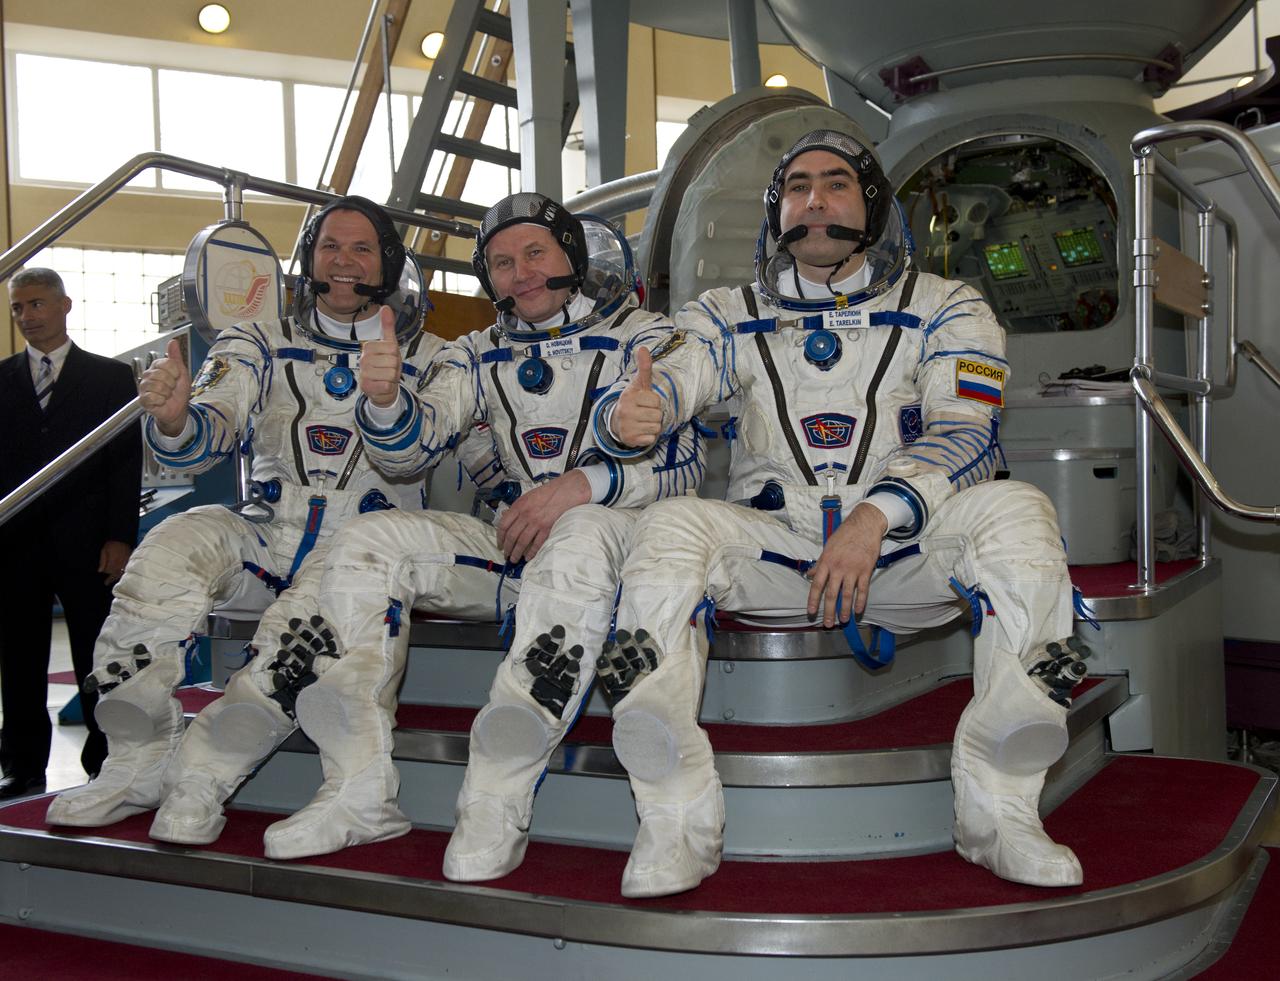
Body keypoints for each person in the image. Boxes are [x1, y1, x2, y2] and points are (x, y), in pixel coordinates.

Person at [592, 129, 1089, 890]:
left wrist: (874, 517)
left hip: (900, 552)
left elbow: (967, 431)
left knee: (1018, 511)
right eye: (796, 186)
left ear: (874, 207)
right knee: (668, 527)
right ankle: (674, 821)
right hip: (781, 552)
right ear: (776, 210)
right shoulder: (729, 313)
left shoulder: (947, 305)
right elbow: (679, 373)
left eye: (835, 184)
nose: (814, 199)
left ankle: (999, 815)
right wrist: (637, 411)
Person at [275, 192, 704, 869]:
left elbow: (684, 465)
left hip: (622, 550)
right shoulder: (475, 354)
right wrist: (385, 403)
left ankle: (493, 803)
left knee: (582, 531)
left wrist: (572, 489)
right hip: (514, 548)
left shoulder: (646, 338)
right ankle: (358, 789)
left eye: (535, 252)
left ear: (573, 255)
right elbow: (408, 452)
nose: (520, 273)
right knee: (370, 541)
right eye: (501, 262)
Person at [44, 196, 477, 842]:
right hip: (268, 536)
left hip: (361, 554)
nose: (344, 262)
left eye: (363, 248)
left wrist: (388, 397)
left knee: (293, 640)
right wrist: (175, 419)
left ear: (389, 263)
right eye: (330, 246)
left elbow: (417, 448)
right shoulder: (258, 341)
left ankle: (201, 780)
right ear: (307, 260)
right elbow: (209, 430)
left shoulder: (439, 358)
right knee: (166, 551)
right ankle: (136, 757)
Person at [0, 268, 141, 799]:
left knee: (95, 655)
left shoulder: (109, 378)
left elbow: (124, 463)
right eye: (17, 308)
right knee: (19, 659)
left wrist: (120, 536)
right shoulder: (1, 379)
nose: (27, 316)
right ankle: (23, 764)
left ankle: (105, 760)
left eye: (36, 304)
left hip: (88, 542)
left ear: (65, 306)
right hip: (15, 545)